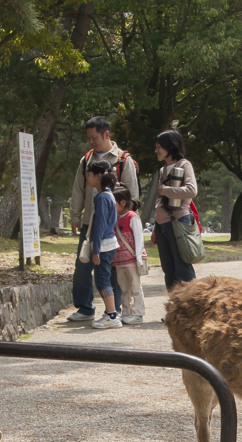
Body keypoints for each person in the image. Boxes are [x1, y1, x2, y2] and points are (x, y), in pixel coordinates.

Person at [67, 116, 140, 322]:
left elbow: (132, 194)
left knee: (112, 269)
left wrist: (128, 222)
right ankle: (84, 307)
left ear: (106, 134)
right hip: (89, 224)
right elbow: (78, 190)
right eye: (88, 138)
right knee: (82, 266)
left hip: (114, 226)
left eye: (94, 137)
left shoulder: (122, 160)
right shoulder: (86, 160)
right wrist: (75, 215)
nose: (91, 141)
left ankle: (112, 310)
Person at [150, 129, 198, 291]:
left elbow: (192, 190)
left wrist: (167, 190)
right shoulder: (163, 170)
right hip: (162, 224)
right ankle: (174, 310)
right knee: (168, 270)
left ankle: (190, 310)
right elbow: (159, 199)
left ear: (169, 146)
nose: (156, 151)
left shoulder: (184, 165)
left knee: (182, 268)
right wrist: (155, 226)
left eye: (159, 147)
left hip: (178, 221)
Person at [85, 161, 121, 329]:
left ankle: (112, 315)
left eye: (89, 175)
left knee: (102, 280)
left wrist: (96, 249)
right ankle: (110, 312)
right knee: (104, 278)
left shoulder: (101, 198)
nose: (88, 178)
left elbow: (99, 225)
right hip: (109, 243)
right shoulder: (109, 195)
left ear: (98, 176)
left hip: (104, 245)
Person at [112, 185, 147, 324]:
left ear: (122, 202)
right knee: (124, 288)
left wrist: (139, 258)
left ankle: (138, 313)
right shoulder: (116, 218)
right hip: (119, 260)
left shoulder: (133, 217)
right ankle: (126, 312)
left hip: (131, 259)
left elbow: (139, 238)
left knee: (135, 287)